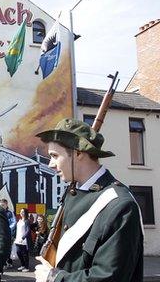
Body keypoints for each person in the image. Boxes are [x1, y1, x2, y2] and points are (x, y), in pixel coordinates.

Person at [34, 118, 143, 281]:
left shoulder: (120, 205)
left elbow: (109, 276)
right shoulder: (73, 192)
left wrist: (55, 278)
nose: (50, 164)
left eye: (55, 156)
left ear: (78, 153)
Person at [0, 199, 16, 269]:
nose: (2, 207)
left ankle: (9, 262)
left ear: (6, 205)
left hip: (8, 234)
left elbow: (13, 223)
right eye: (0, 205)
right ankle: (4, 263)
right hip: (0, 234)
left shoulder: (10, 213)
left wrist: (7, 229)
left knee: (8, 249)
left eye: (3, 205)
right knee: (1, 249)